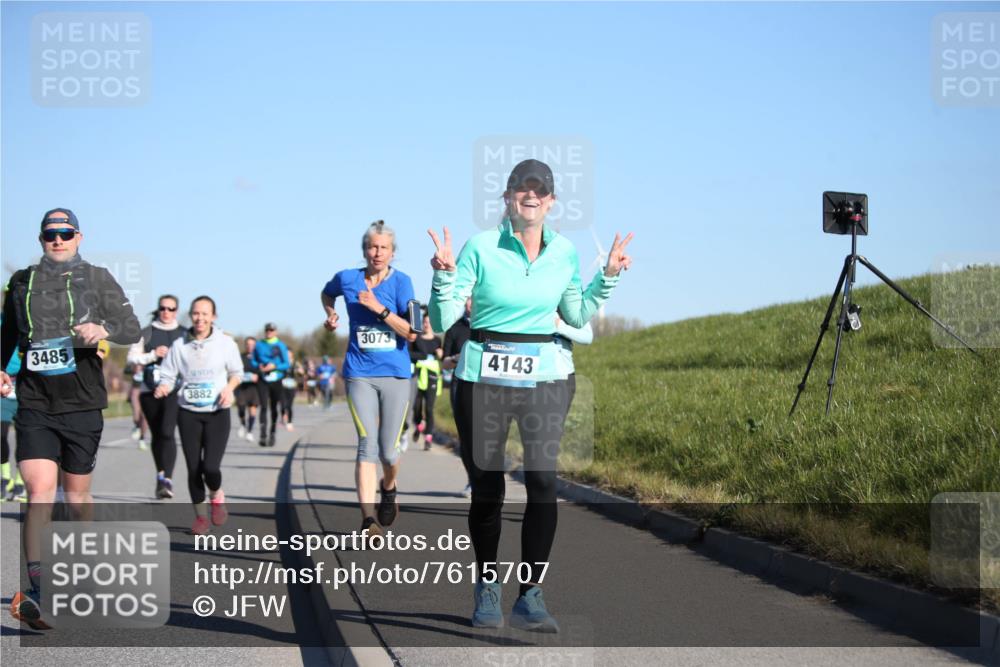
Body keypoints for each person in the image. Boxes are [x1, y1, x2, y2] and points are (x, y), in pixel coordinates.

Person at [428, 160, 632, 632]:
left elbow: (577, 315)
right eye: (523, 189)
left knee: (542, 481)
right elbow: (440, 322)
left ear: (552, 202)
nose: (531, 197)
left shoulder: (564, 253)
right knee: (488, 488)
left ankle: (531, 594)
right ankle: (486, 588)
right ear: (508, 198)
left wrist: (608, 276)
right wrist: (443, 275)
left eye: (540, 190)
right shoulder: (480, 247)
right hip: (483, 379)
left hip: (543, 379)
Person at [2, 207, 141, 629]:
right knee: (38, 491)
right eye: (50, 235)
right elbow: (7, 333)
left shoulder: (97, 278)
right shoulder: (22, 282)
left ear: (79, 237)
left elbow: (131, 327)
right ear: (41, 240)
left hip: (81, 404)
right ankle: (37, 593)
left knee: (77, 500)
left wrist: (102, 329)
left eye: (65, 233)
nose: (57, 240)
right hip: (35, 402)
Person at [321, 220, 417, 537]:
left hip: (396, 374)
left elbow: (412, 333)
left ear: (392, 252)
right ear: (364, 249)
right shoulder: (347, 279)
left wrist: (380, 310)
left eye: (383, 247)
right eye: (372, 246)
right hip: (359, 373)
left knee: (389, 451)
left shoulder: (402, 283)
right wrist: (330, 314)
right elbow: (327, 292)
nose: (377, 252)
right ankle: (368, 520)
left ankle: (388, 487)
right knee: (367, 444)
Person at [154, 296, 242, 535]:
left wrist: (229, 388)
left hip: (217, 413)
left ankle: (216, 494)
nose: (200, 318)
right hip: (188, 413)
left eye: (205, 314)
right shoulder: (179, 345)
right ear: (190, 316)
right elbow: (168, 375)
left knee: (211, 468)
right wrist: (164, 386)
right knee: (194, 468)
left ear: (213, 317)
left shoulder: (225, 343)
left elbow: (237, 373)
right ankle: (201, 518)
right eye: (196, 313)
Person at [128, 294, 185, 499]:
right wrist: (153, 355)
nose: (166, 312)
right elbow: (132, 357)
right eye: (163, 308)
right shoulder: (146, 332)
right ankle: (160, 474)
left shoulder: (183, 333)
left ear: (176, 311)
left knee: (168, 432)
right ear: (158, 309)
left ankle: (167, 479)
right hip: (149, 390)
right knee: (158, 434)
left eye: (170, 309)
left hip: (174, 391)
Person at [441, 297, 473, 497]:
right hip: (459, 384)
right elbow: (443, 362)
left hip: (488, 387)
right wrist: (456, 359)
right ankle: (473, 480)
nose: (472, 302)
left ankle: (488, 481)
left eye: (475, 297)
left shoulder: (492, 324)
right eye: (469, 298)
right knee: (467, 437)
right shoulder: (454, 328)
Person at [250, 322, 290, 447]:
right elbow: (253, 361)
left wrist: (275, 366)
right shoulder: (259, 345)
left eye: (272, 330)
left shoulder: (281, 345)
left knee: (274, 407)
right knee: (263, 406)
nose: (269, 332)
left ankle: (272, 433)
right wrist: (259, 366)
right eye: (267, 330)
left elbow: (287, 364)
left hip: (276, 379)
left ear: (275, 332)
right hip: (263, 380)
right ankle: (263, 435)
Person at [410, 308, 443, 451]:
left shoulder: (437, 340)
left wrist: (440, 354)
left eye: (429, 322)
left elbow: (443, 356)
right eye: (424, 322)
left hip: (432, 376)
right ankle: (419, 425)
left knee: (429, 408)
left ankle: (428, 437)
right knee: (416, 407)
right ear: (422, 323)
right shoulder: (416, 338)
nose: (426, 324)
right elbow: (410, 354)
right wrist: (420, 357)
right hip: (418, 374)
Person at [1, 328, 24, 502]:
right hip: (5, 383)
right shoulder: (3, 321)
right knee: (1, 434)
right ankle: (5, 477)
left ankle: (20, 481)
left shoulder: (38, 317)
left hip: (28, 383)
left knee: (26, 437)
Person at [236, 337, 260, 442]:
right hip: (241, 386)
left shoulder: (259, 358)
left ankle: (249, 432)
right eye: (248, 344)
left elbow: (263, 370)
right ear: (245, 345)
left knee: (252, 409)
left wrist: (258, 376)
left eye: (252, 344)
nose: (250, 346)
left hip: (254, 387)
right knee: (241, 406)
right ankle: (242, 424)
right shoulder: (240, 357)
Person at [125, 362, 148, 448]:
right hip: (136, 388)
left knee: (145, 416)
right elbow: (126, 370)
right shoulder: (136, 356)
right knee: (136, 412)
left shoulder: (152, 355)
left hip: (146, 389)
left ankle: (142, 438)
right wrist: (133, 368)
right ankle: (137, 426)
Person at [281, 350, 300, 431]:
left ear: (292, 354)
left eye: (289, 353)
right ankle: (283, 417)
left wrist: (299, 371)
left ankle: (289, 422)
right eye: (286, 353)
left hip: (292, 386)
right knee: (282, 404)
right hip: (282, 385)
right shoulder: (282, 362)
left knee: (289, 405)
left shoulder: (296, 363)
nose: (288, 355)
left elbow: (302, 372)